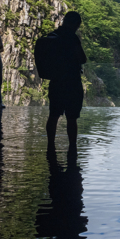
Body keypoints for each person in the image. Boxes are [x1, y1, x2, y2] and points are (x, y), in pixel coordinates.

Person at [45, 11, 87, 151]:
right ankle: (72, 147)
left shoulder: (52, 36)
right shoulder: (72, 38)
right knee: (71, 117)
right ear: (75, 24)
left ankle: (50, 145)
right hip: (72, 82)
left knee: (53, 115)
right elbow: (82, 58)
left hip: (56, 81)